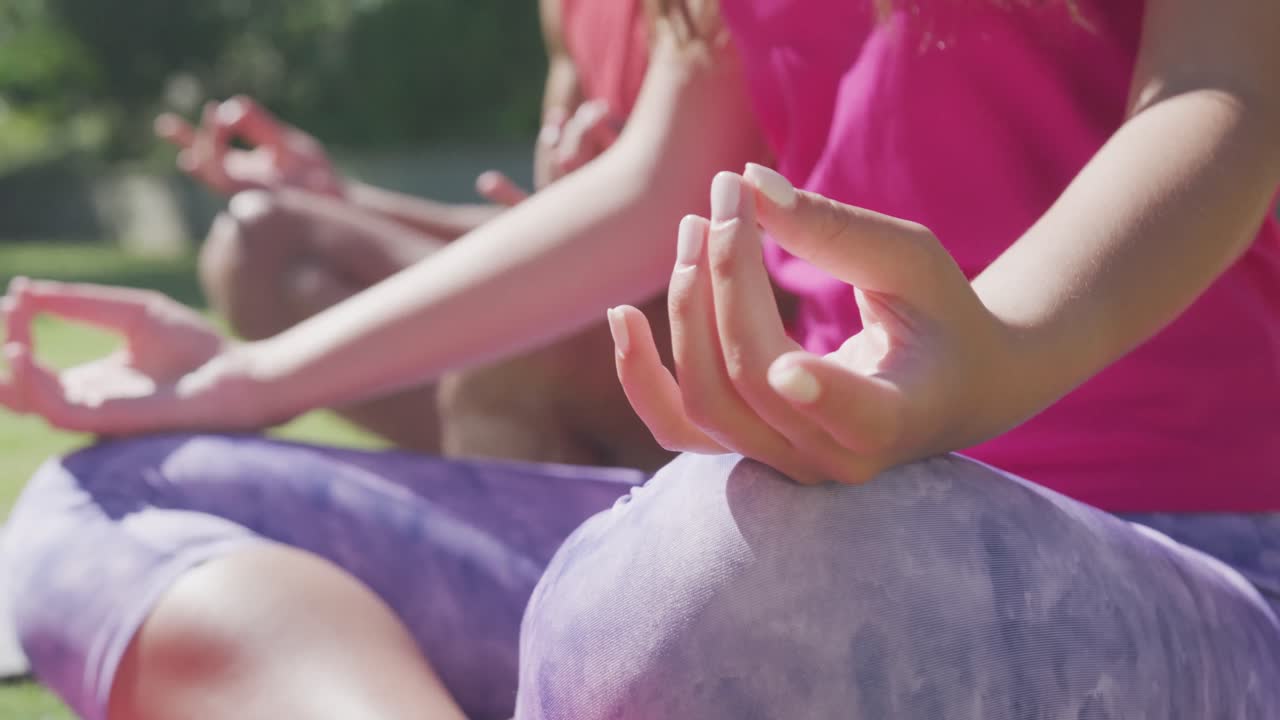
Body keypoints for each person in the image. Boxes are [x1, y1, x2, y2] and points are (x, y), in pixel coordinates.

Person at [3, 0, 1279, 718]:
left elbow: (1225, 91)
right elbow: (646, 188)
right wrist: (246, 379)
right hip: (786, 535)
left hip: (1188, 571)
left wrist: (997, 350)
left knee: (699, 583)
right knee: (104, 508)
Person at [157, 0, 670, 470]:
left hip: (696, 320)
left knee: (502, 349)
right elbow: (559, 223)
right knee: (258, 248)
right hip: (595, 293)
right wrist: (340, 197)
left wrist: (254, 382)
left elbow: (657, 216)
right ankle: (511, 476)